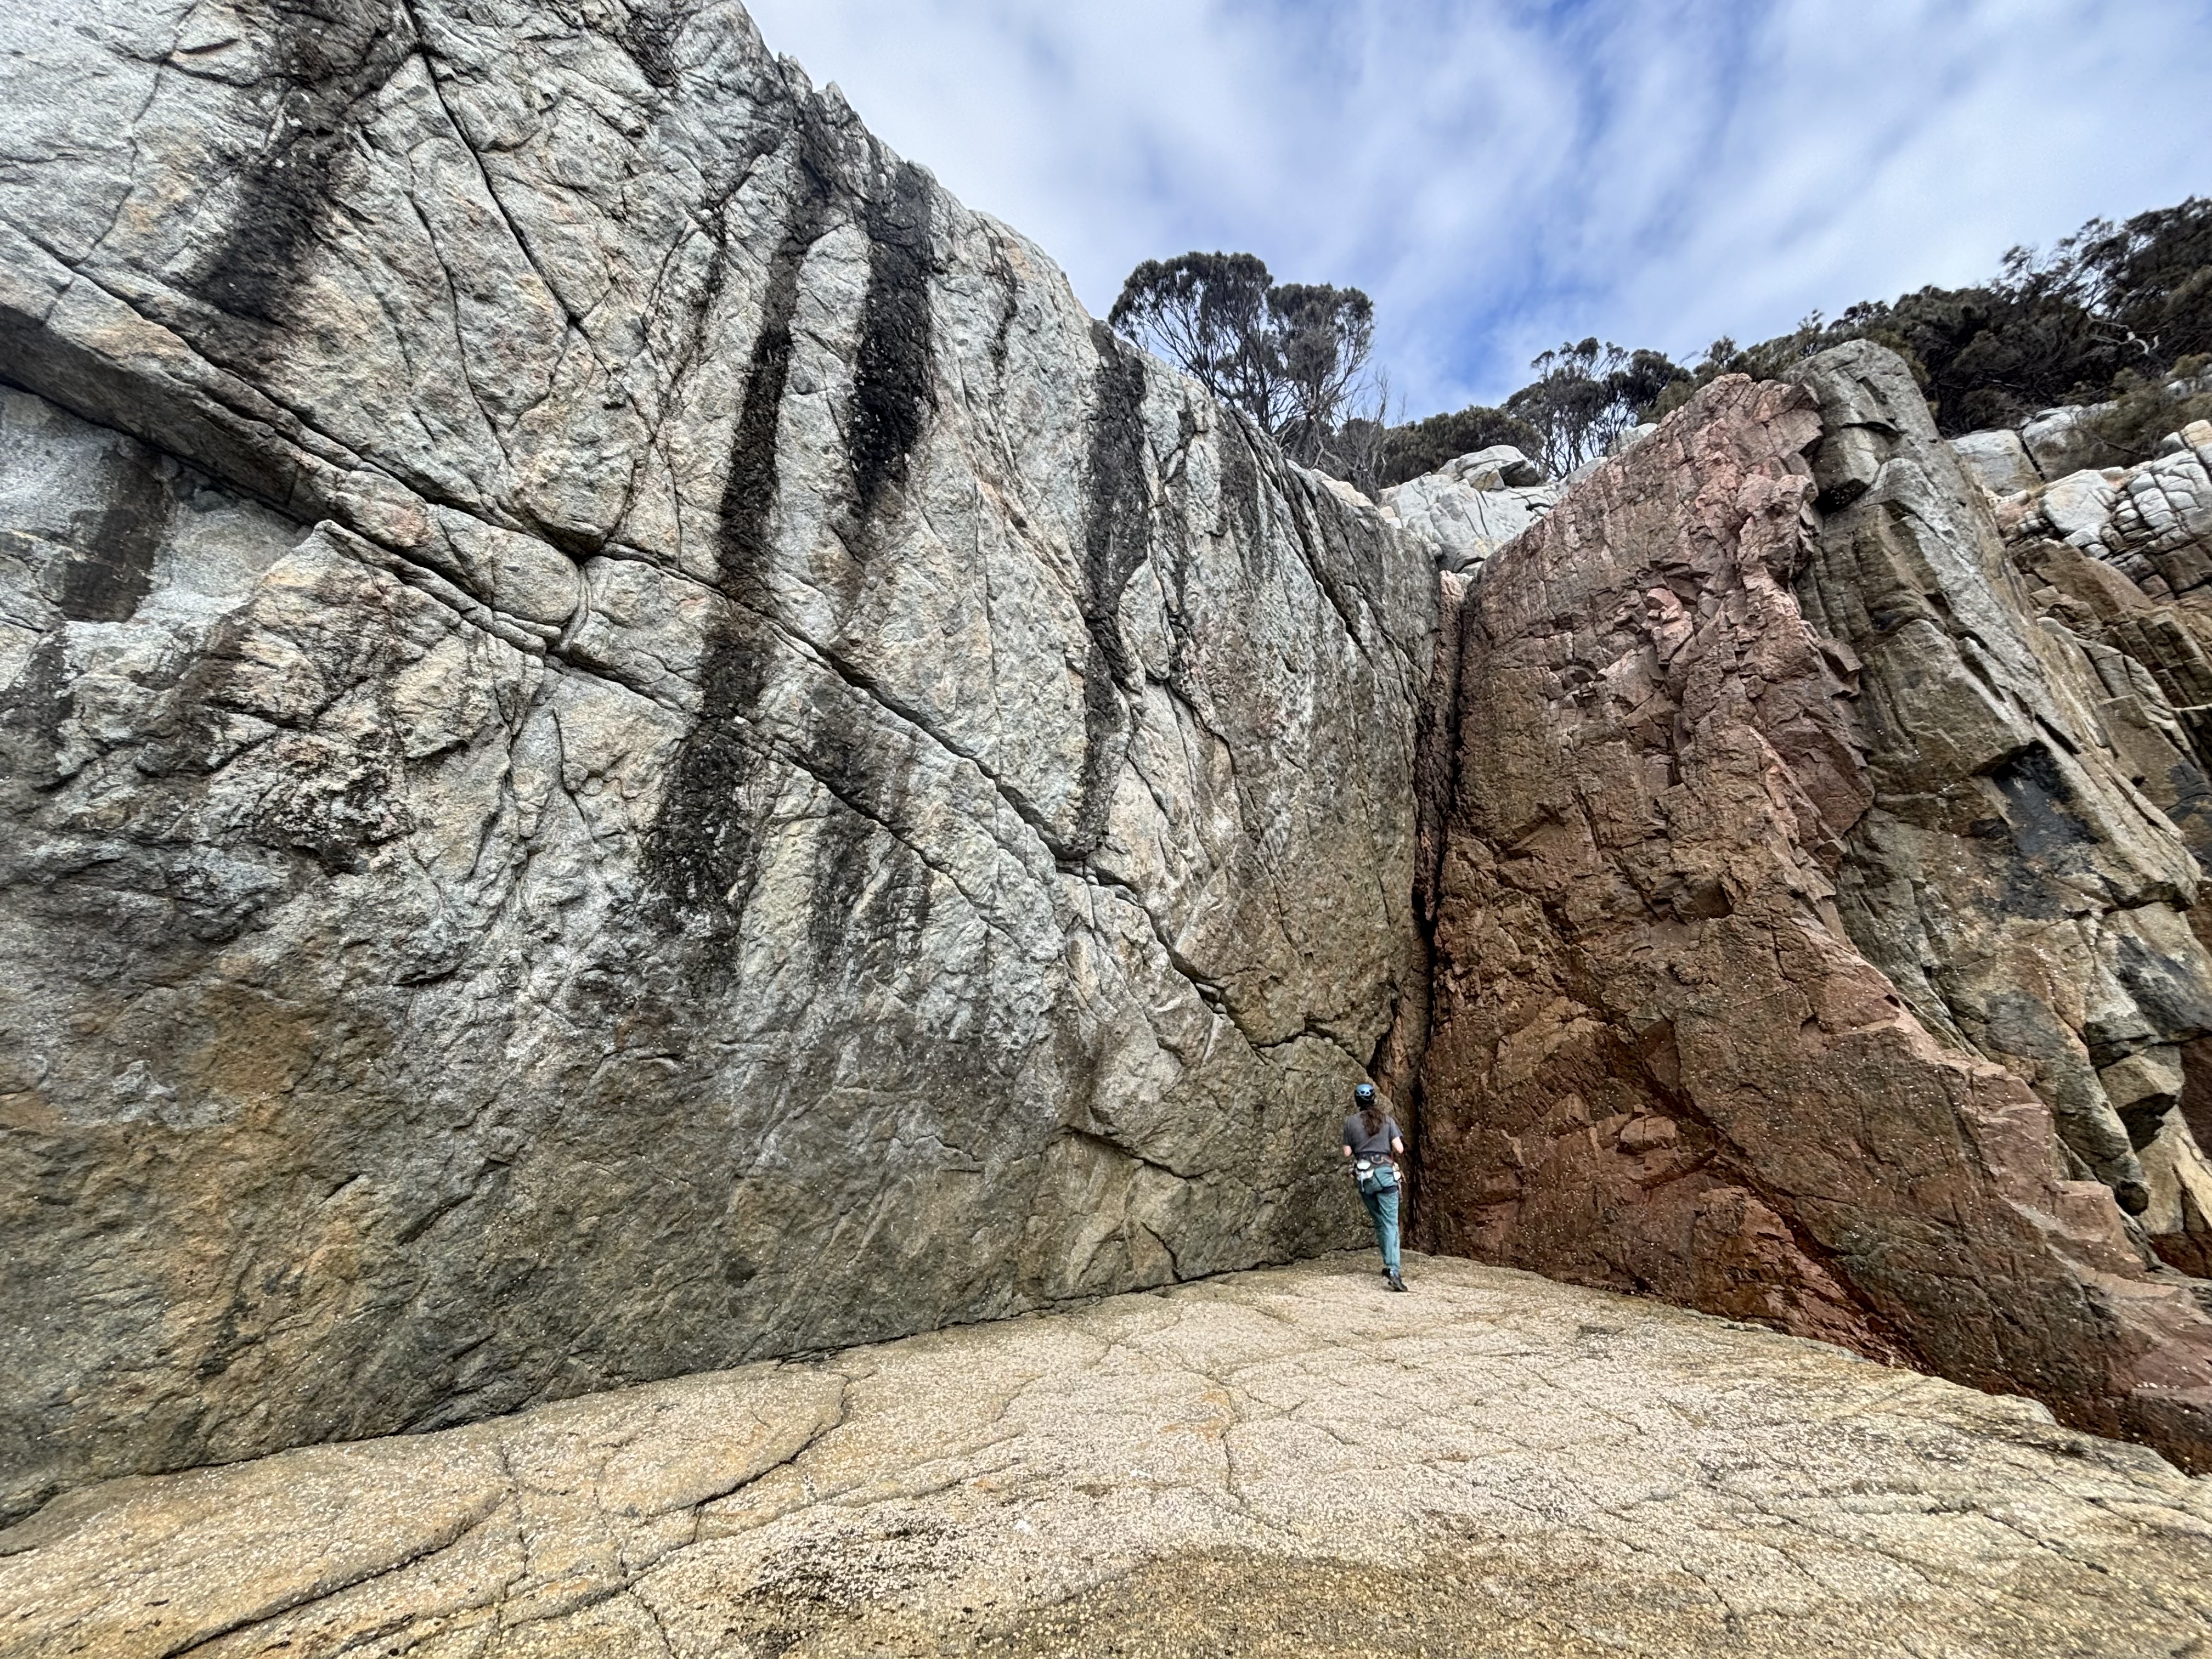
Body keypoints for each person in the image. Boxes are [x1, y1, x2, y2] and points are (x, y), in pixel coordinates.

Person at [1342, 1082, 1408, 1291]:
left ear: (1357, 1101)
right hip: (1386, 1176)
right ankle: (1393, 1270)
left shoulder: (1351, 1123)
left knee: (1380, 1221)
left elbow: (1347, 1153)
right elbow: (1400, 1148)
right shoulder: (1387, 1120)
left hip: (1365, 1178)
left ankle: (1388, 1264)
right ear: (1374, 1099)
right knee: (1390, 1223)